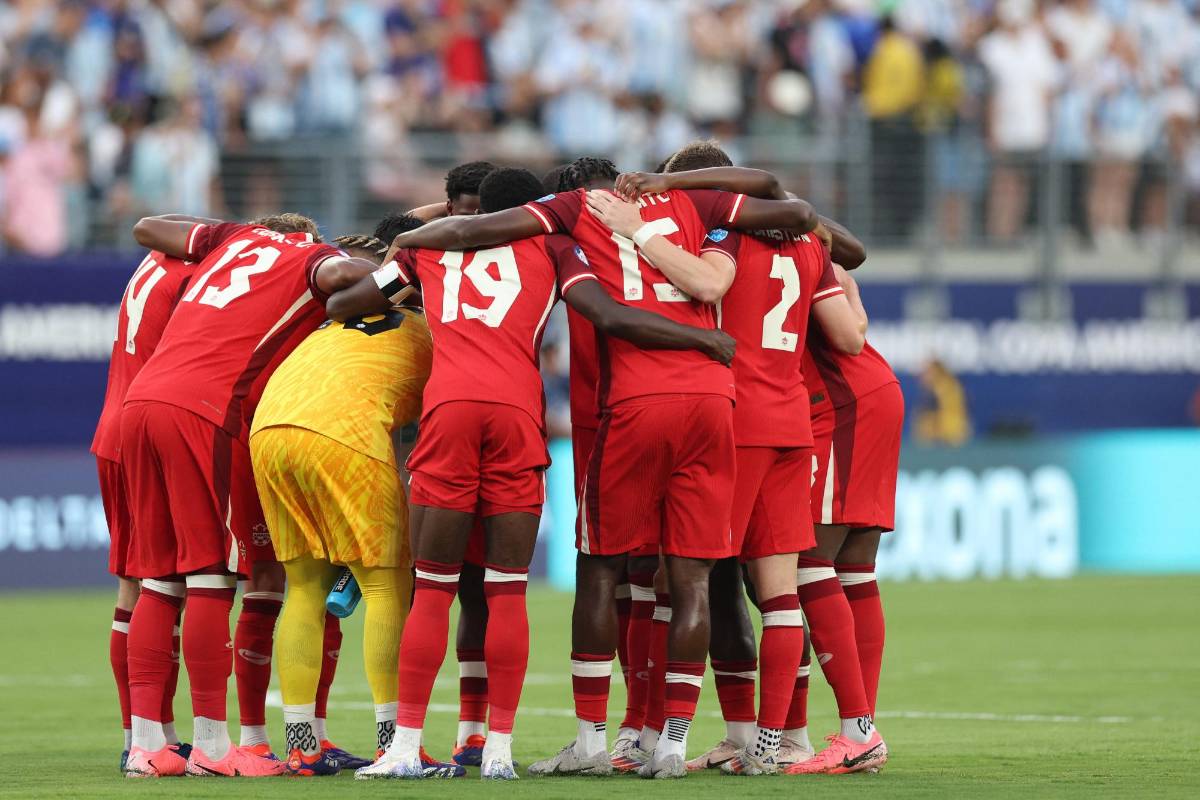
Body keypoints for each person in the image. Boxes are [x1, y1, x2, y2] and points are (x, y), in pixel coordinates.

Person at [380, 155, 823, 778]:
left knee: (597, 574)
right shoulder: (700, 209)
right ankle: (671, 740)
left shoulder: (566, 221)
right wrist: (673, 188)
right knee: (691, 581)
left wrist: (406, 234)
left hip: (620, 409)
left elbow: (469, 235)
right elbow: (800, 213)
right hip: (718, 403)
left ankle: (591, 741)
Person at [619, 144, 871, 775]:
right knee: (781, 591)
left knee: (680, 581)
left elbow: (708, 285)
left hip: (735, 420)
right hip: (793, 421)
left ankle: (653, 735)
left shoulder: (722, 238)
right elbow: (846, 325)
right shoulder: (809, 244)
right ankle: (773, 741)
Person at [119, 212, 379, 778]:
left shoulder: (234, 237)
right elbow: (342, 276)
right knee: (211, 576)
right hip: (207, 411)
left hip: (139, 405)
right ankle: (213, 748)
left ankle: (145, 746)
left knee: (159, 579)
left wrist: (227, 231)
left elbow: (148, 226)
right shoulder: (314, 258)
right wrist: (388, 272)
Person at [248, 227, 436, 777]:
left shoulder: (330, 323)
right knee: (385, 583)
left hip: (271, 428)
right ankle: (392, 742)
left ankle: (303, 743)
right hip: (344, 433)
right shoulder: (430, 329)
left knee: (304, 585)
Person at [786, 269, 903, 775]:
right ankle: (860, 730)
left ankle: (859, 730)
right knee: (854, 567)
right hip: (869, 392)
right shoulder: (803, 241)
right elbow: (848, 253)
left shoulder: (783, 245)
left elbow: (850, 335)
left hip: (842, 404)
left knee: (807, 562)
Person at [92, 244, 198, 772]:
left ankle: (152, 731)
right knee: (161, 584)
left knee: (140, 586)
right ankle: (144, 736)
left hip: (116, 428)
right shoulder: (196, 277)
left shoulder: (153, 263)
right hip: (151, 433)